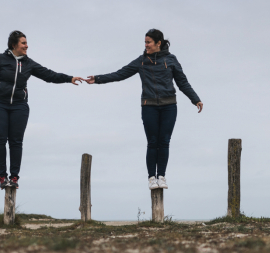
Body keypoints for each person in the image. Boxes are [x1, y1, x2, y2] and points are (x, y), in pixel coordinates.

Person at [0, 30, 84, 189]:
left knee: (16, 141)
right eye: (23, 43)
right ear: (14, 45)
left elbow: (49, 75)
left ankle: (14, 178)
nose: (27, 46)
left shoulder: (29, 64)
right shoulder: (0, 59)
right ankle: (2, 176)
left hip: (19, 106)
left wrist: (69, 78)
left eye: (26, 43)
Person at [86, 29, 203, 190]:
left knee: (164, 142)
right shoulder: (141, 61)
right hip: (149, 106)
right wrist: (98, 79)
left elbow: (182, 82)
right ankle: (151, 178)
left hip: (169, 106)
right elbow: (120, 74)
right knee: (152, 142)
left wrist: (195, 99)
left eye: (148, 42)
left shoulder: (171, 60)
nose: (146, 45)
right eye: (145, 42)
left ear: (158, 43)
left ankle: (161, 176)